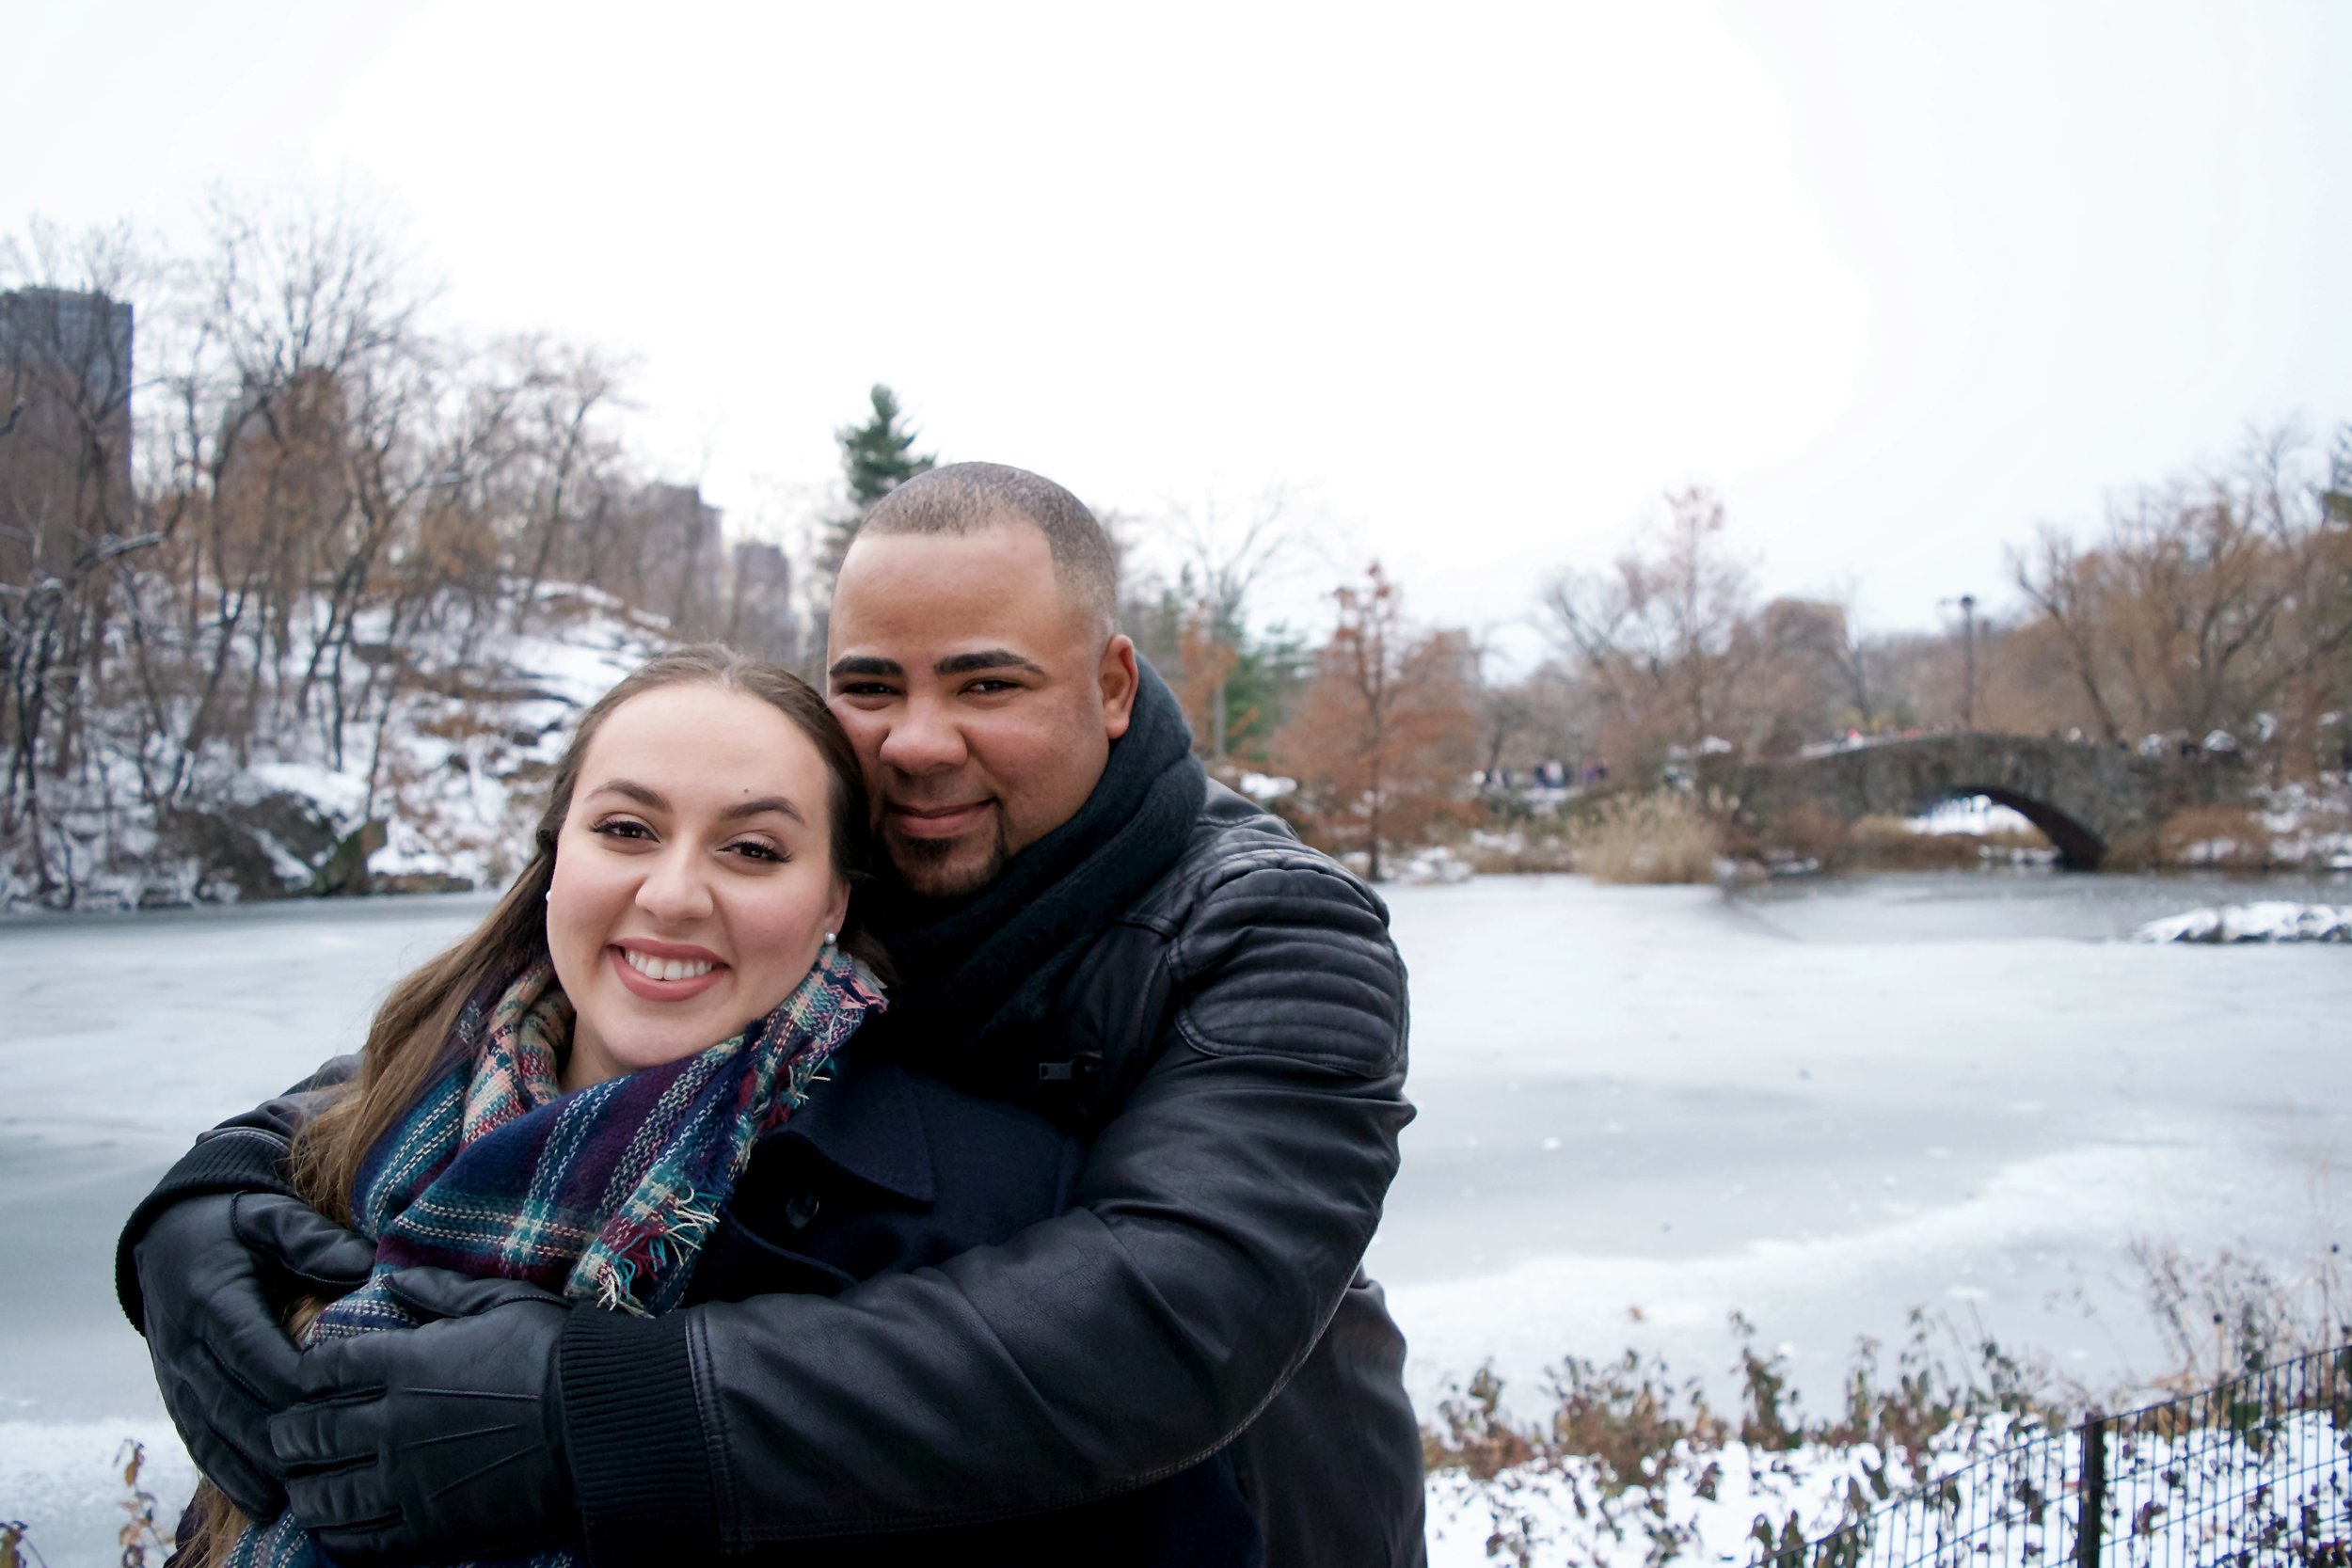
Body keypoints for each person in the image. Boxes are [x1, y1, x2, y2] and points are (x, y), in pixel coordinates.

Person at [120, 462, 1424, 1565]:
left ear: (1113, 685)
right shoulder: (859, 859)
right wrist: (201, 1208)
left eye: (986, 686)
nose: (918, 740)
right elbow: (526, 1018)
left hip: (1249, 1514)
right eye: (872, 685)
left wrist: (582, 1413)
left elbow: (1164, 1320)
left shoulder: (1276, 935)